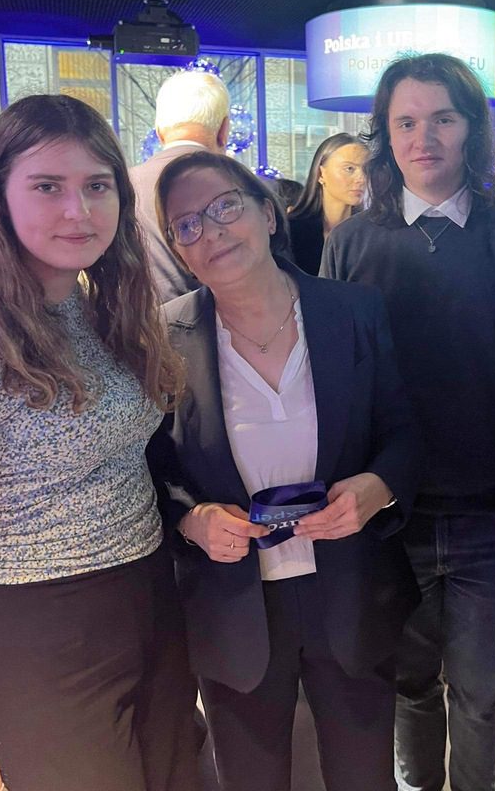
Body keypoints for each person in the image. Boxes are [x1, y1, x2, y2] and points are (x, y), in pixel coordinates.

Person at [147, 151, 423, 791]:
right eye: (187, 225)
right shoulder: (163, 337)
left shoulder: (353, 311)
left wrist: (378, 487)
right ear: (178, 249)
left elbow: (404, 431)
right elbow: (150, 470)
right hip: (234, 604)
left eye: (225, 207)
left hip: (348, 592)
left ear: (268, 214)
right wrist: (193, 520)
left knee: (364, 778)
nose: (211, 232)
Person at [321, 53, 495, 791]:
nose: (424, 138)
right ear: (385, 135)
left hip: (491, 514)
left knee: (484, 690)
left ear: (472, 129)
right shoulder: (351, 244)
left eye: (443, 119)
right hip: (390, 515)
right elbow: (335, 383)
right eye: (406, 122)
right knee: (409, 683)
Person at [0, 95, 200, 791]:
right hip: (38, 624)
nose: (80, 211)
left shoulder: (105, 311)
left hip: (149, 594)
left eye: (97, 185)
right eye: (48, 186)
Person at [130, 67, 230, 301]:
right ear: (224, 131)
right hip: (221, 321)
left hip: (136, 321)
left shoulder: (121, 186)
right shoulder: (239, 187)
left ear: (159, 133)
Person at [288, 133, 367, 274]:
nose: (361, 179)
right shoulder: (290, 230)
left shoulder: (371, 234)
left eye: (367, 170)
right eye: (349, 169)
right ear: (321, 174)